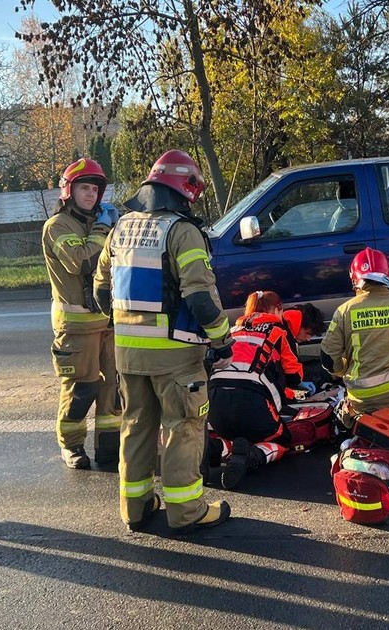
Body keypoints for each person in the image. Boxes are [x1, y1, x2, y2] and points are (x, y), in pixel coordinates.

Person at [94, 149, 233, 533]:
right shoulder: (181, 231)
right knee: (183, 429)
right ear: (185, 189)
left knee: (136, 426)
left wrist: (121, 327)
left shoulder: (120, 228)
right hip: (175, 359)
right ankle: (186, 512)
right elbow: (200, 298)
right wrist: (223, 340)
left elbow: (100, 289)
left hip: (128, 357)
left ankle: (134, 508)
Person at [42, 157, 122, 470]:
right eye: (84, 188)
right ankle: (71, 446)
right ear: (69, 190)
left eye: (94, 189)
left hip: (107, 321)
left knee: (111, 390)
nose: (90, 194)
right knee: (80, 389)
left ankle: (108, 448)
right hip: (75, 327)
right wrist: (104, 229)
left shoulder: (102, 224)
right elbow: (82, 262)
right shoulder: (57, 226)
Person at [320, 247, 389, 429]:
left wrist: (343, 370)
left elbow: (327, 359)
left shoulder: (344, 311)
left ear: (354, 278)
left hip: (363, 400)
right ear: (387, 275)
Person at [206, 291, 306, 490]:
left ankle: (218, 449)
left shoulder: (232, 329)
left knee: (228, 432)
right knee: (282, 440)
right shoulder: (278, 330)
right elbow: (294, 376)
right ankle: (254, 454)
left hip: (216, 402)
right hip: (253, 403)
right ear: (276, 310)